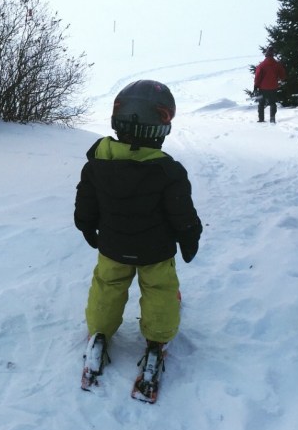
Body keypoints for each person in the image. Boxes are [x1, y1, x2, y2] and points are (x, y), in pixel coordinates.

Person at [74, 80, 202, 401]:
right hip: (155, 252)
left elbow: (85, 203)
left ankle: (100, 331)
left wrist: (86, 226)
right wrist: (189, 238)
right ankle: (157, 340)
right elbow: (183, 215)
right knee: (160, 291)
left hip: (113, 248)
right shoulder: (168, 172)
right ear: (161, 128)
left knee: (107, 286)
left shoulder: (98, 164)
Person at [254, 46, 286, 123]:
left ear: (266, 54)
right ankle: (272, 118)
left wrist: (255, 86)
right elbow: (283, 76)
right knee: (272, 103)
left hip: (263, 88)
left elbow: (257, 77)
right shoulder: (277, 64)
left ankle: (261, 119)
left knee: (261, 103)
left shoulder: (261, 65)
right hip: (273, 87)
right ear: (273, 54)